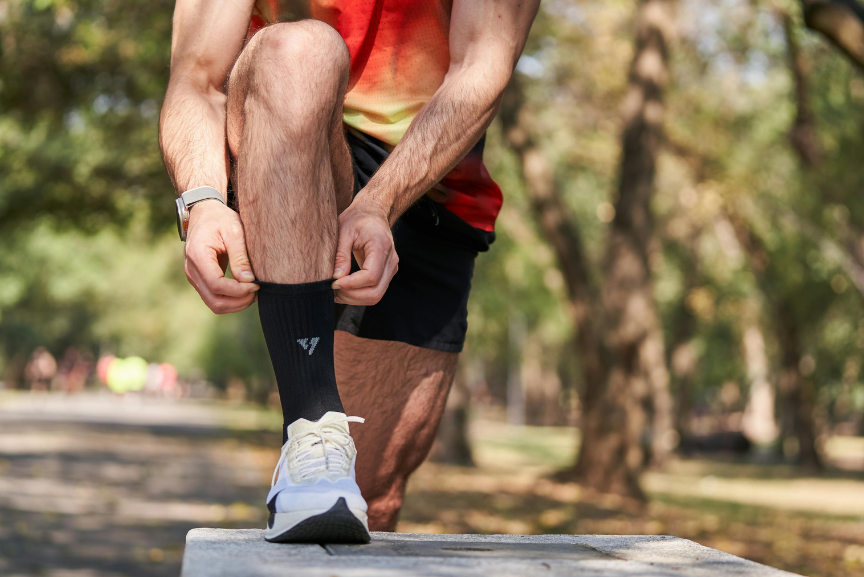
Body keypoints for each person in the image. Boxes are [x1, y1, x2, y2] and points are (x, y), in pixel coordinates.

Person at [159, 0, 539, 543]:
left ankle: (320, 469)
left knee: (373, 496)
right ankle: (311, 424)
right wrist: (201, 200)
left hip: (428, 172)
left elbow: (483, 65)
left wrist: (379, 204)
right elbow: (196, 78)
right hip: (288, 135)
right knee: (297, 52)